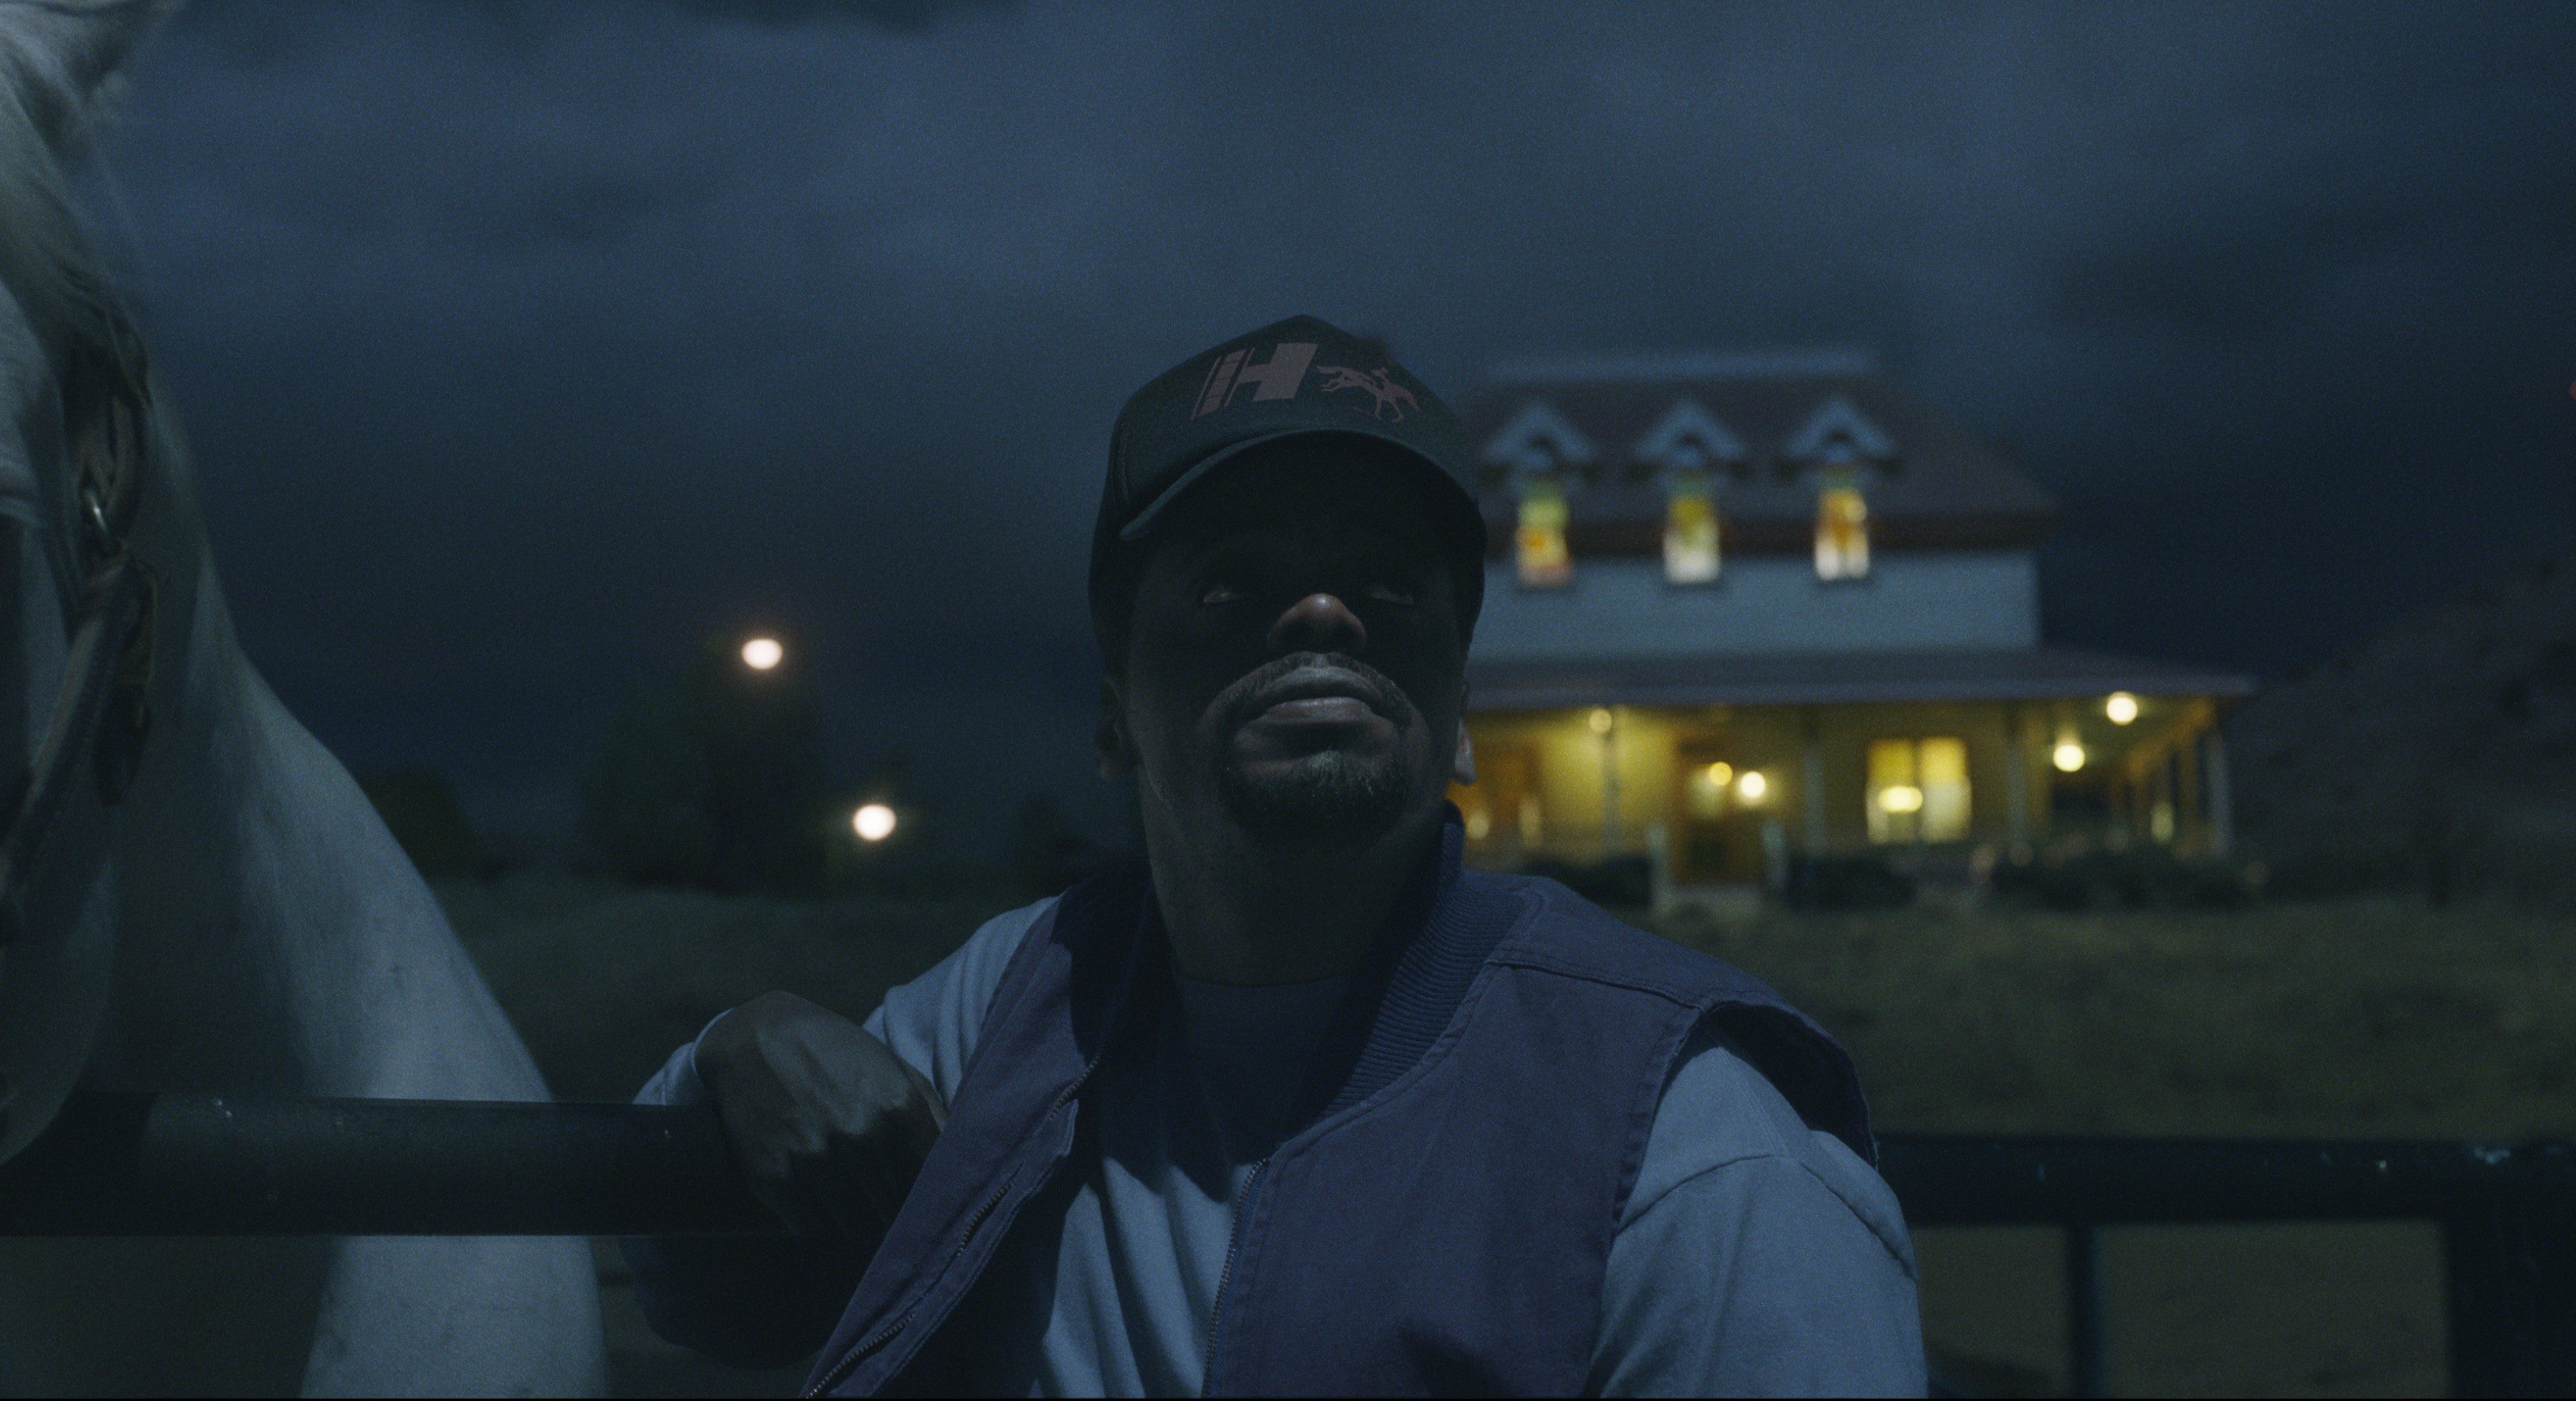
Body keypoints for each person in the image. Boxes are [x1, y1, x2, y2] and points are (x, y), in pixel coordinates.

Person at [624, 315, 1926, 1396]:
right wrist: (733, 1054)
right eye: (1228, 587)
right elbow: (716, 1300)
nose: (1319, 611)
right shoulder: (1017, 1003)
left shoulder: (1697, 1154)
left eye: (1390, 586)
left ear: (1460, 707)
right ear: (1113, 711)